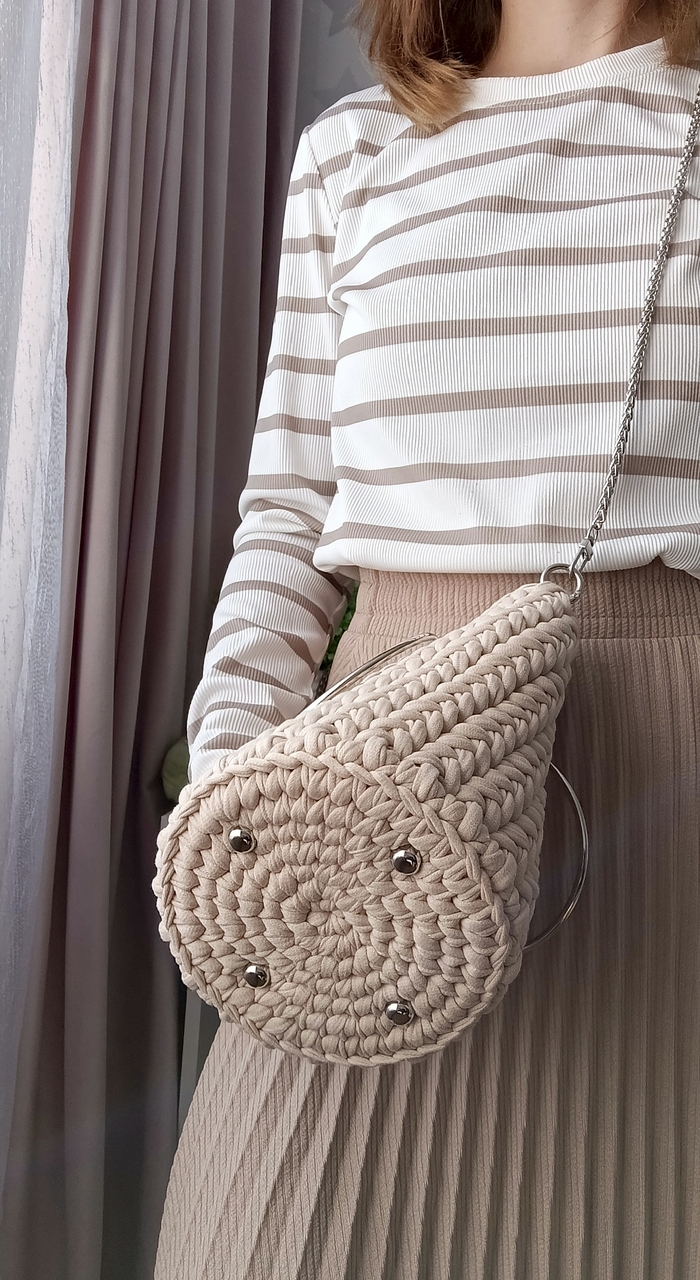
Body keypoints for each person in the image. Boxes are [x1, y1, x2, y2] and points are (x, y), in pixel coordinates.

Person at [155, 1, 700, 1275]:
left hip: (671, 782)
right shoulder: (354, 149)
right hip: (374, 793)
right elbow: (289, 509)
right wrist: (233, 787)